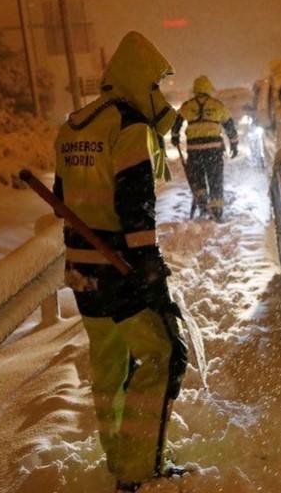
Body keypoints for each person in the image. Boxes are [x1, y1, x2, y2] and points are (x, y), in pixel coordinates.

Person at [53, 31, 188, 492]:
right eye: (156, 85)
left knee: (109, 364)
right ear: (137, 78)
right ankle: (138, 470)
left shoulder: (74, 125)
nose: (159, 95)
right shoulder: (129, 127)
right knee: (163, 355)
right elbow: (136, 211)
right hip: (119, 269)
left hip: (80, 268)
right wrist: (150, 271)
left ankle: (119, 459)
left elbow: (60, 198)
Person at [171, 76, 239, 220]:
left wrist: (175, 136)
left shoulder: (187, 105)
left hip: (194, 150)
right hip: (213, 150)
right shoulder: (218, 105)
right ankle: (217, 210)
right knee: (215, 179)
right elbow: (229, 126)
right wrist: (234, 144)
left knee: (198, 178)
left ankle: (202, 206)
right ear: (209, 89)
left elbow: (176, 123)